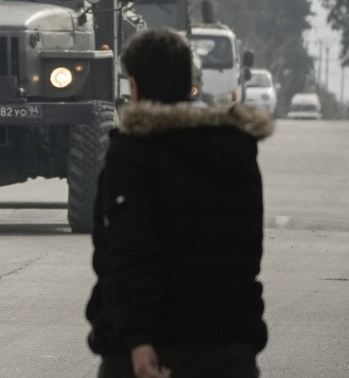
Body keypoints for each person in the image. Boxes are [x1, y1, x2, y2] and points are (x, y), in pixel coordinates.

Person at [86, 28, 270, 378]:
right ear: (190, 83)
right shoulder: (236, 149)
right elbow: (248, 252)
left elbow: (130, 253)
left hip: (155, 349)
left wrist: (138, 341)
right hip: (231, 345)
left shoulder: (134, 152)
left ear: (135, 86)